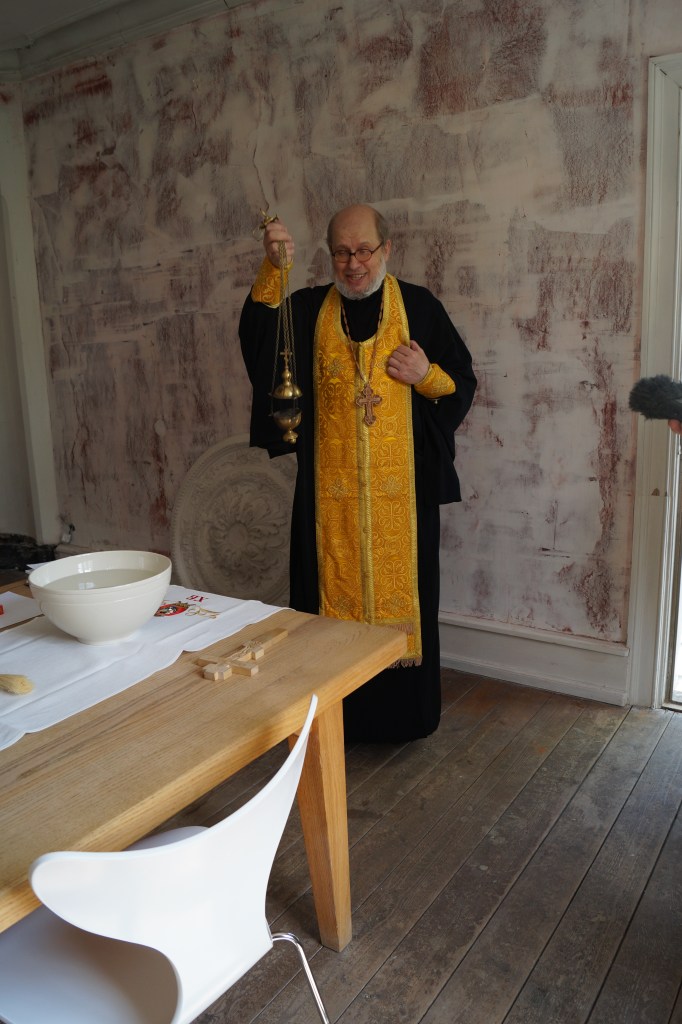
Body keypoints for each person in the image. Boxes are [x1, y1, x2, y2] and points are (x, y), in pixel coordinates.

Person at [239, 204, 476, 742]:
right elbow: (261, 344)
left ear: (386, 249)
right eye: (342, 252)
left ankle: (406, 718)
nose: (353, 264)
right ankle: (334, 722)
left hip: (402, 500)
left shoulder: (418, 307)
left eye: (364, 250)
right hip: (328, 500)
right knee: (325, 606)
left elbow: (462, 381)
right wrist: (273, 268)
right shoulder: (307, 310)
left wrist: (427, 375)